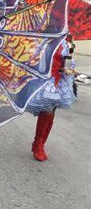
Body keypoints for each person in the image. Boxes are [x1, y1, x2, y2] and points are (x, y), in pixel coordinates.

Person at [27, 33, 76, 161]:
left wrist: (68, 64)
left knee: (52, 111)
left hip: (59, 79)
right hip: (46, 78)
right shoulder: (46, 37)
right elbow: (35, 57)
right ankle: (37, 144)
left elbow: (68, 59)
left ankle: (41, 144)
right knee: (47, 110)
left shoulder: (66, 40)